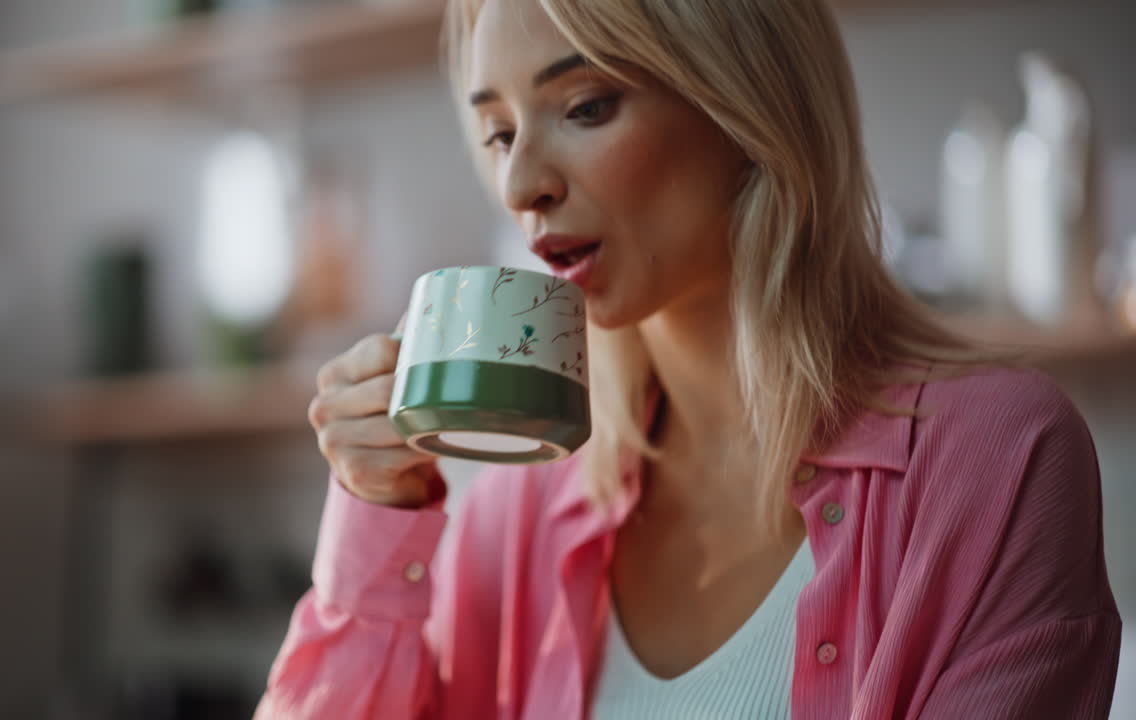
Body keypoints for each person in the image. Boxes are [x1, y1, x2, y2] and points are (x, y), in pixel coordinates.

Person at [253, 0, 1122, 717]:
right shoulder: (511, 519)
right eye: (498, 132)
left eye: (585, 106)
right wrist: (376, 515)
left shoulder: (999, 462)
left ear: (744, 101)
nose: (521, 187)